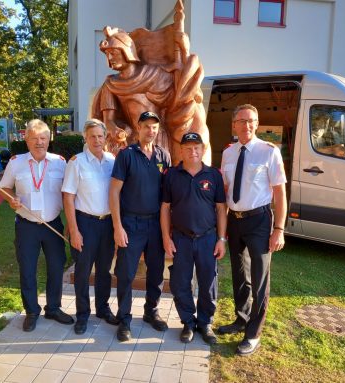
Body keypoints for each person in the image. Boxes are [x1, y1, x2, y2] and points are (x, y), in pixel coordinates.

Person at [219, 104, 287, 356]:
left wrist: (278, 228)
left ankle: (253, 332)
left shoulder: (269, 152)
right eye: (241, 120)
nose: (246, 125)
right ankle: (241, 318)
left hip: (259, 220)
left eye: (251, 121)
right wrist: (222, 231)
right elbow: (225, 193)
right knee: (239, 274)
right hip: (235, 221)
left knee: (259, 278)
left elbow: (279, 193)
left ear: (257, 124)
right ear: (234, 125)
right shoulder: (228, 154)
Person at [91, 26, 210, 165]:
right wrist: (116, 130)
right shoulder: (110, 85)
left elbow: (180, 91)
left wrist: (183, 51)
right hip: (133, 142)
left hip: (159, 139)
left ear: (127, 51)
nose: (110, 58)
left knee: (162, 178)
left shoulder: (154, 74)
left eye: (113, 52)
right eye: (107, 54)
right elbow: (108, 121)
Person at [0, 119, 74, 332]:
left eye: (43, 138)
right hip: (27, 225)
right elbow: (4, 187)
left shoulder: (61, 162)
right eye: (34, 138)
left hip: (53, 224)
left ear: (49, 140)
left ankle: (53, 308)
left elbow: (69, 193)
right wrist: (11, 198)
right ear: (26, 139)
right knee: (27, 269)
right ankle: (32, 311)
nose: (39, 142)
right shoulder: (16, 162)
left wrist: (70, 223)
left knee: (56, 267)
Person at [109, 111, 171, 342]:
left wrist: (168, 229)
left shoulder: (163, 156)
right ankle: (124, 318)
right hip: (131, 223)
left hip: (155, 223)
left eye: (154, 127)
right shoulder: (126, 155)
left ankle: (150, 312)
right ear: (138, 128)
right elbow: (114, 192)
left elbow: (167, 196)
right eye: (146, 126)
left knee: (156, 272)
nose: (150, 131)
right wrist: (117, 226)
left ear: (158, 130)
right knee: (125, 273)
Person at [161, 132, 227, 344]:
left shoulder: (214, 175)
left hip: (208, 238)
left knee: (208, 282)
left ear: (203, 149)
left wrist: (221, 239)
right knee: (180, 283)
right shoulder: (171, 175)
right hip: (181, 239)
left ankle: (205, 322)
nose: (193, 151)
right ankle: (188, 323)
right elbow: (165, 208)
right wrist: (166, 237)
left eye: (197, 147)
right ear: (181, 150)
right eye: (188, 148)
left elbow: (220, 209)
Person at [62, 119, 118, 335]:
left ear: (105, 138)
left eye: (100, 136)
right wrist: (74, 231)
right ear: (85, 138)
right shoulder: (76, 162)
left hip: (107, 224)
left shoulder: (112, 161)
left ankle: (102, 309)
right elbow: (68, 198)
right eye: (92, 136)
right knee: (83, 271)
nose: (96, 140)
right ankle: (83, 314)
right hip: (85, 223)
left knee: (104, 270)